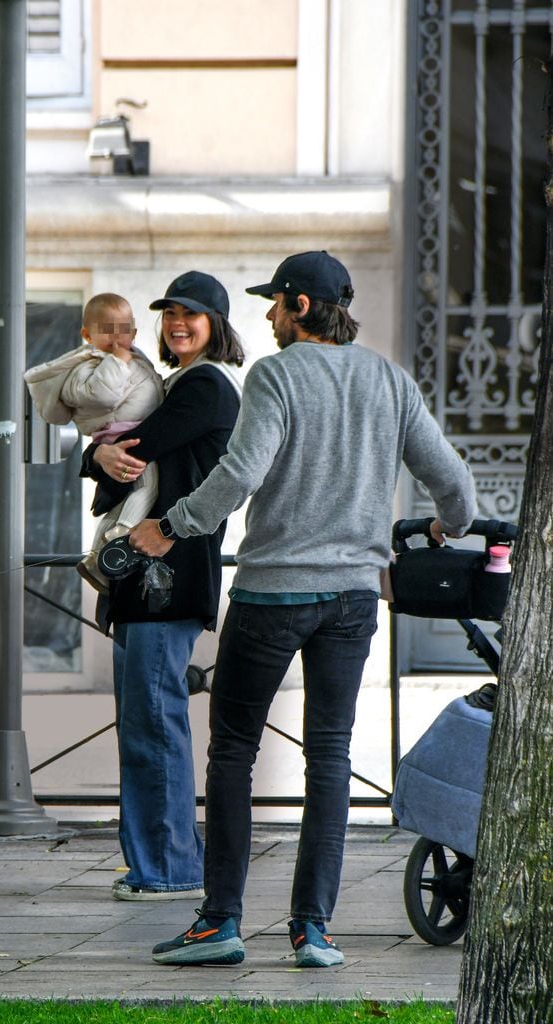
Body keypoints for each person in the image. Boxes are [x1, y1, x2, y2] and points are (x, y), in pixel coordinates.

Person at [128, 251, 478, 965]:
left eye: (274, 303)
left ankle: (219, 922)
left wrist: (170, 526)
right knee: (330, 757)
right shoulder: (389, 379)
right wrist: (447, 527)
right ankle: (312, 930)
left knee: (232, 752)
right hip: (352, 599)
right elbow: (457, 488)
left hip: (273, 592)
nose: (265, 316)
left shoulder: (277, 374)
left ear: (301, 307)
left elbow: (242, 472)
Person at [80, 271, 245, 900]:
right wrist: (99, 457)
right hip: (145, 582)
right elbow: (115, 458)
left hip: (166, 579)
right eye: (170, 312)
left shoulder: (205, 386)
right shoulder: (176, 383)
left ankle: (170, 867)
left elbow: (131, 447)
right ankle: (158, 860)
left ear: (217, 325)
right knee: (145, 725)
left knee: (154, 724)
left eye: (192, 314)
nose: (177, 322)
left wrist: (98, 455)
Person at [24, 292, 164, 590]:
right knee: (148, 486)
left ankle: (97, 559)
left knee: (120, 500)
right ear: (87, 335)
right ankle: (119, 534)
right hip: (121, 435)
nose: (116, 338)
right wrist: (117, 361)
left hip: (131, 432)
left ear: (135, 332)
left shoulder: (134, 358)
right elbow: (100, 394)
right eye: (107, 329)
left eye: (124, 329)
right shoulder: (87, 365)